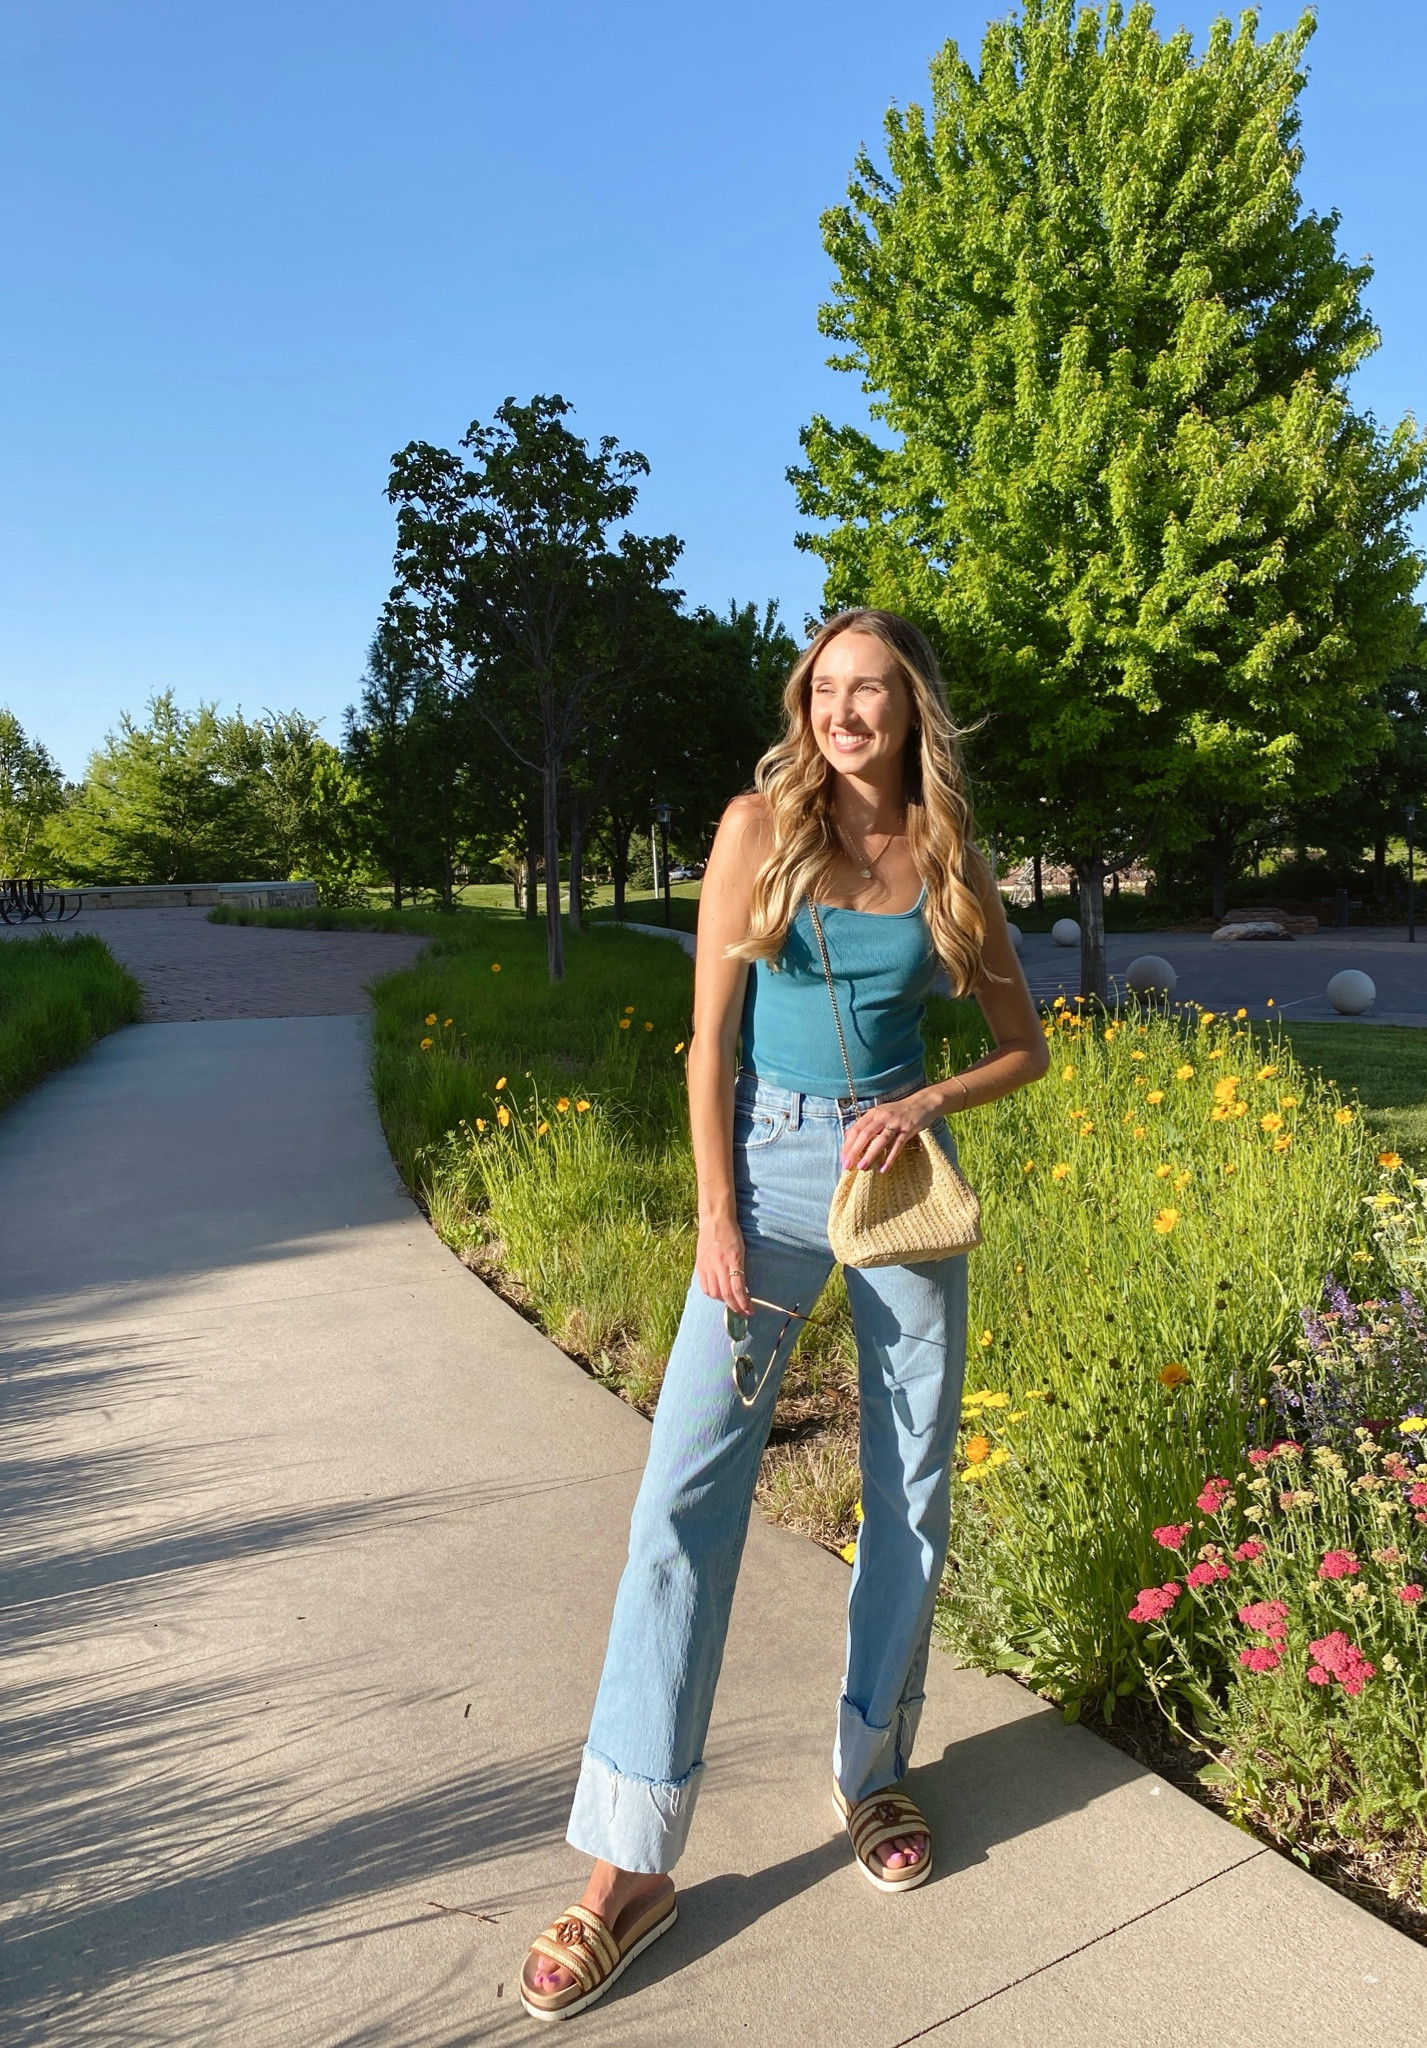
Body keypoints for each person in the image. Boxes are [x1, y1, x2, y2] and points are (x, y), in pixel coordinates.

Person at [519, 608, 1049, 2021]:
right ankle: (625, 1863)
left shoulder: (949, 863)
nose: (846, 712)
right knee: (685, 1494)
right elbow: (708, 1041)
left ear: (914, 710)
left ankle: (872, 1772)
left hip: (897, 1187)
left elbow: (1022, 1046)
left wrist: (928, 1099)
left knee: (912, 1484)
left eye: (872, 691)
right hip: (757, 1174)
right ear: (805, 702)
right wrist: (711, 1216)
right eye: (827, 688)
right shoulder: (760, 827)